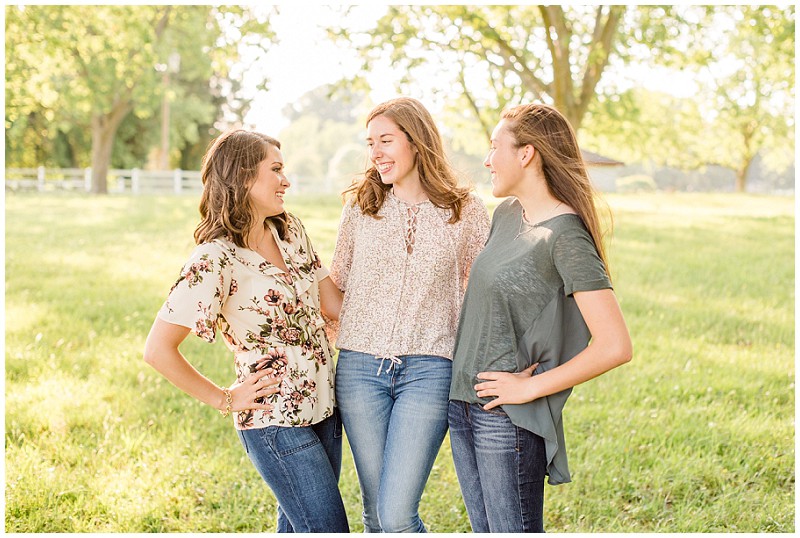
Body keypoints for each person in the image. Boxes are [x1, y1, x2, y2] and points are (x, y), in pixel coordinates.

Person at [143, 129, 349, 533]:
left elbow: (334, 305)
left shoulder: (289, 232)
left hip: (325, 409)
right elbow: (158, 350)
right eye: (275, 169)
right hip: (274, 421)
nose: (286, 180)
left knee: (298, 527)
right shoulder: (214, 258)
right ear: (241, 177)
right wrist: (224, 398)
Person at [448, 103, 633, 533]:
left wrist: (530, 386)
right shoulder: (507, 214)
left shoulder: (565, 234)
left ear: (527, 153)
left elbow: (615, 345)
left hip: (505, 417)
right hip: (462, 403)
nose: (487, 158)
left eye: (495, 147)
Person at [329, 97, 490, 533]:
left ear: (416, 142)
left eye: (386, 140)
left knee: (396, 513)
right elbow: (336, 282)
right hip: (359, 368)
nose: (375, 153)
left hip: (430, 369)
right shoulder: (361, 208)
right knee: (374, 511)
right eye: (370, 143)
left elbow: (484, 293)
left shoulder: (465, 210)